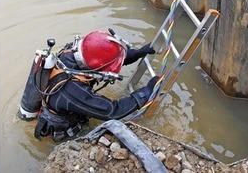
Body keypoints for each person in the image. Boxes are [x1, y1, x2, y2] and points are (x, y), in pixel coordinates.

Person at [28, 29, 158, 141]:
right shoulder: (71, 91)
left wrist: (138, 53)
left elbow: (104, 60)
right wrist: (146, 92)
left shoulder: (71, 54)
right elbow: (113, 111)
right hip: (60, 132)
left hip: (63, 106)